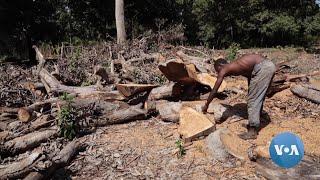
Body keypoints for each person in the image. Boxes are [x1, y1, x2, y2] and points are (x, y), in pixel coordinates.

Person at [202, 54, 276, 140]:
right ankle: (256, 120)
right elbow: (250, 75)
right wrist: (251, 91)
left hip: (263, 67)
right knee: (257, 96)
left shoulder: (225, 68)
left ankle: (252, 131)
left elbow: (215, 90)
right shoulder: (238, 65)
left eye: (217, 70)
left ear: (220, 66)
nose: (218, 73)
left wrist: (206, 105)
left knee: (253, 100)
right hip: (267, 65)